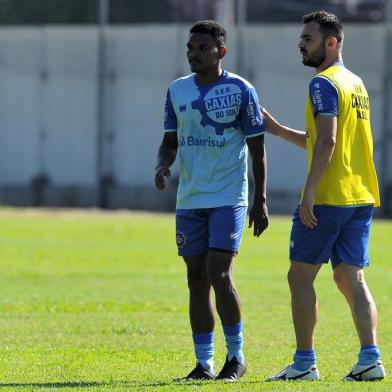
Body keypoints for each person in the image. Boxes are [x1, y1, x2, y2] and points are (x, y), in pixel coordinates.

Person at [263, 10, 385, 382]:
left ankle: (304, 363)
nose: (301, 44)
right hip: (359, 196)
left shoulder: (322, 84)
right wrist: (280, 130)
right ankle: (371, 359)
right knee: (351, 278)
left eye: (308, 39)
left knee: (299, 278)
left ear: (331, 43)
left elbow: (329, 141)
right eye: (301, 38)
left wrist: (310, 193)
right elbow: (324, 139)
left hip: (328, 197)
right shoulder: (355, 82)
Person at [154, 20, 268, 382]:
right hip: (190, 199)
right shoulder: (177, 90)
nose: (193, 53)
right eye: (190, 48)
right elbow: (170, 139)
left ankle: (236, 357)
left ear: (221, 51)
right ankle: (203, 364)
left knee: (219, 272)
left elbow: (257, 149)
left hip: (229, 196)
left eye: (201, 48)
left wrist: (259, 198)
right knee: (195, 279)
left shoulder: (241, 89)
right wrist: (162, 164)